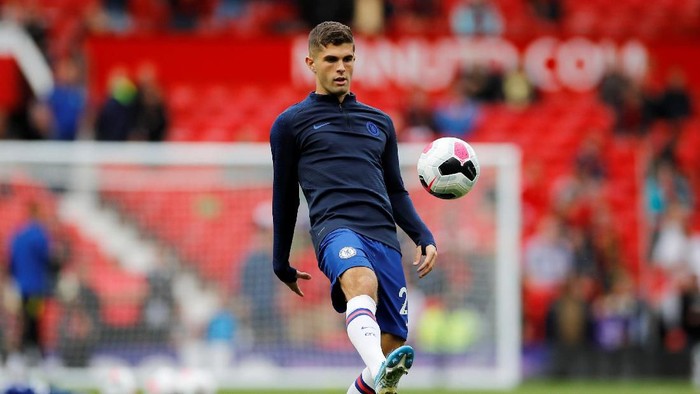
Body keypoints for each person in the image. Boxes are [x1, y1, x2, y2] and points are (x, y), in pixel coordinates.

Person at [269, 21, 438, 394]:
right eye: (331, 59)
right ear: (311, 62)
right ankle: (380, 368)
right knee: (362, 282)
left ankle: (378, 370)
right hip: (335, 228)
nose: (341, 67)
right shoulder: (290, 124)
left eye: (348, 58)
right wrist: (280, 260)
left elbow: (395, 189)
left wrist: (422, 234)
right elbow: (284, 197)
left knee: (393, 341)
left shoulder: (380, 123)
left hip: (383, 235)